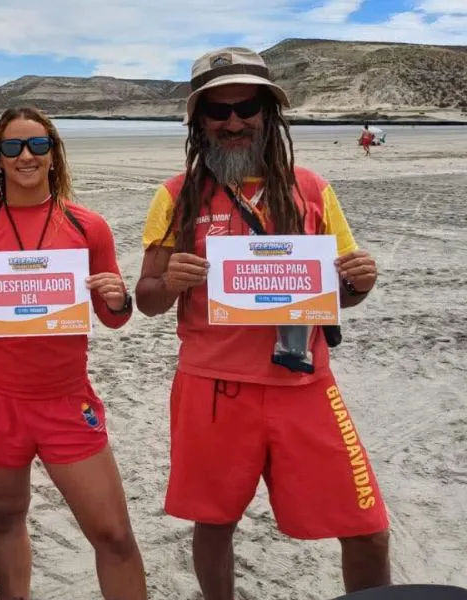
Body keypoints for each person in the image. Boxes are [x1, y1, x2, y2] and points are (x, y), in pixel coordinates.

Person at [135, 47, 390, 599]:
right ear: (199, 120)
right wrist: (170, 281)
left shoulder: (313, 188)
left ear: (269, 113)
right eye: (217, 111)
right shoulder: (176, 196)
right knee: (215, 524)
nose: (233, 123)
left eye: (246, 107)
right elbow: (147, 300)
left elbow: (340, 297)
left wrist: (359, 283)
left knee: (367, 529)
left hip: (305, 384)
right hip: (212, 387)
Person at [0, 106, 148, 600]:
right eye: (12, 147)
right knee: (6, 515)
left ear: (54, 155)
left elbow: (114, 316)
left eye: (38, 145)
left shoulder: (87, 226)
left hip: (65, 401)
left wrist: (118, 298)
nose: (25, 156)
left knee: (113, 534)